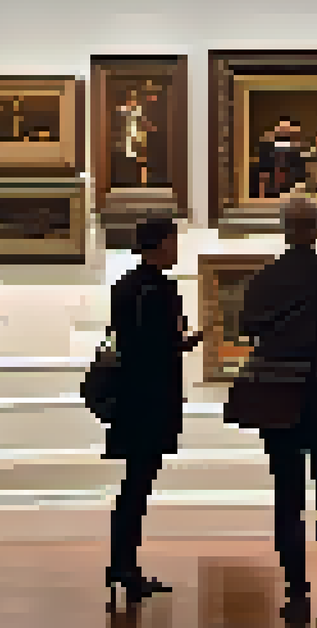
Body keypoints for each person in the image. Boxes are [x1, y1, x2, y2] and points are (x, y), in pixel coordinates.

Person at [231, 199, 317, 627]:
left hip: (280, 400)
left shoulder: (266, 280)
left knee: (287, 498)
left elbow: (245, 326)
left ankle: (295, 594)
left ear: (285, 229)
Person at [104, 217, 202, 610]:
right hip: (151, 399)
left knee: (134, 483)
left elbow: (129, 341)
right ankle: (124, 565)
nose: (176, 250)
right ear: (158, 244)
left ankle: (122, 563)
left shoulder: (126, 287)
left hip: (130, 398)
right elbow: (159, 346)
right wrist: (184, 341)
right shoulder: (160, 289)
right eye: (172, 242)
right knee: (137, 484)